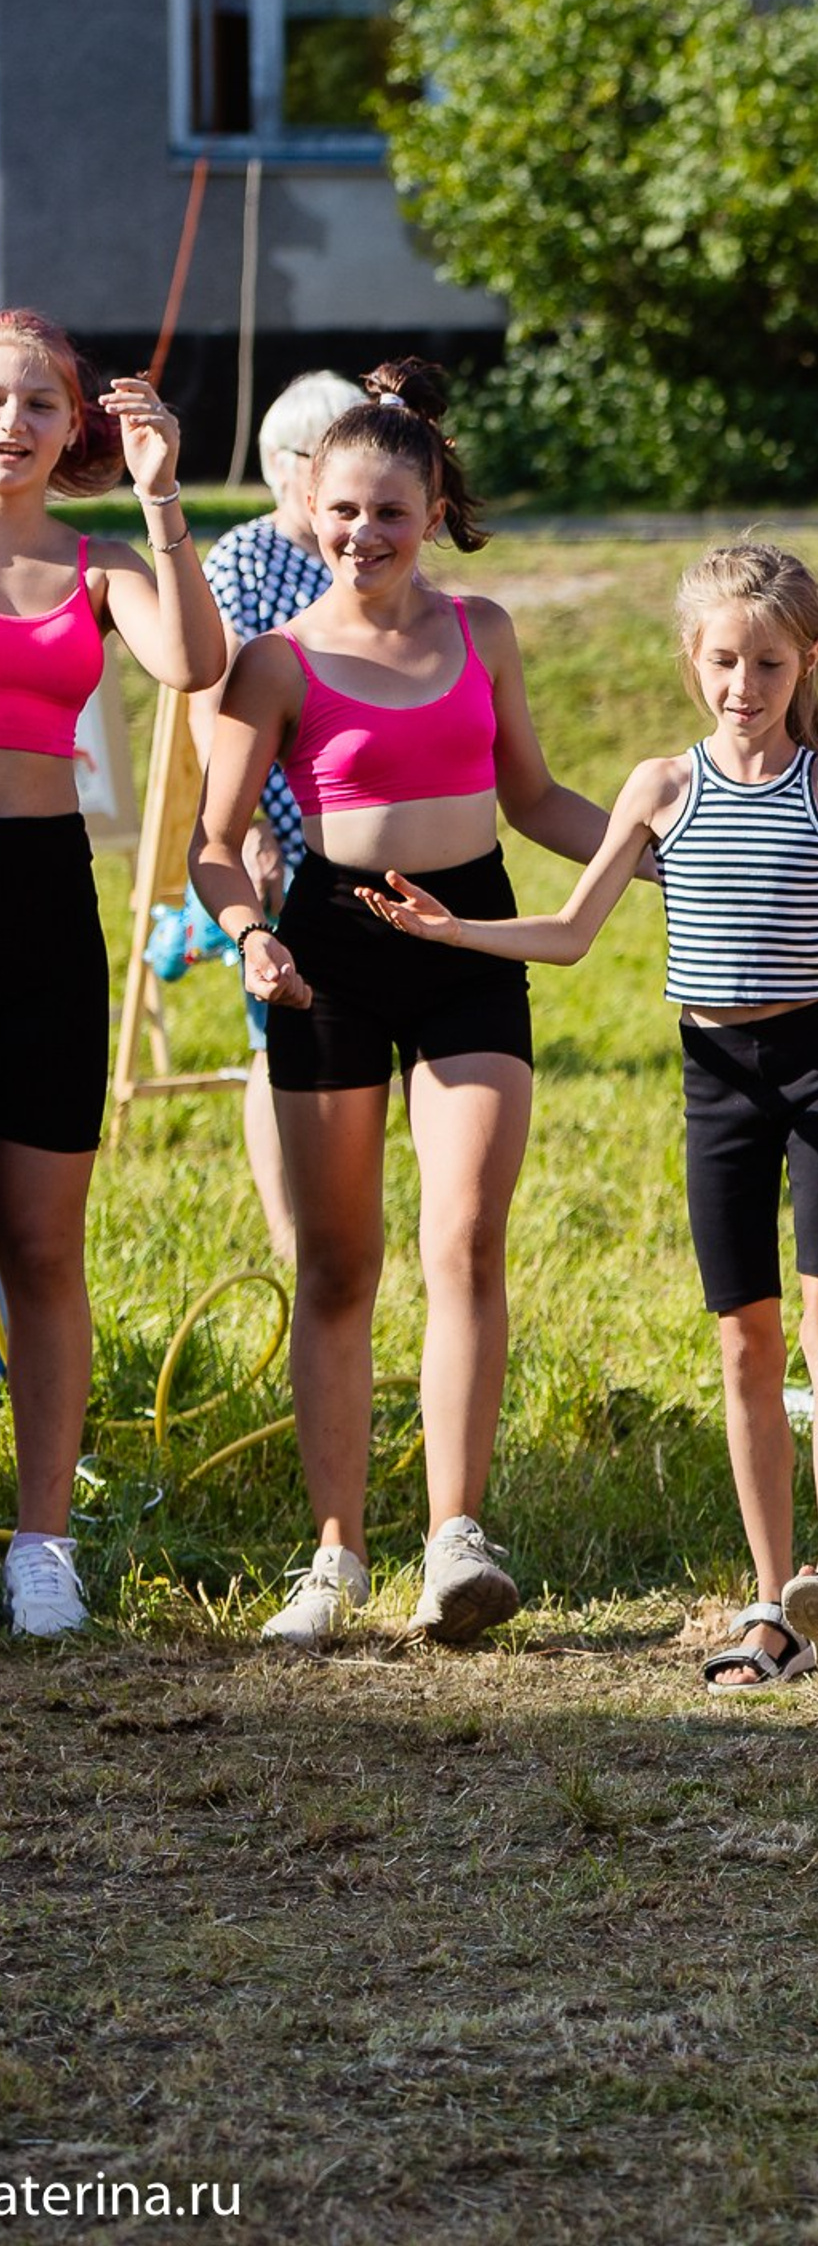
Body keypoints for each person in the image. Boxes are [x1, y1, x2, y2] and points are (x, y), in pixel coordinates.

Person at [359, 542, 818, 1686]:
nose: (743, 685)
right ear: (693, 660)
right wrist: (455, 931)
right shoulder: (660, 788)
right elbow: (571, 932)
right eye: (723, 660)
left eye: (768, 662)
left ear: (806, 662)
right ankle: (770, 1599)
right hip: (715, 1076)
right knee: (743, 1335)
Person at [191, 360, 622, 1648]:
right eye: (342, 513)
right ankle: (333, 1557)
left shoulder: (482, 631)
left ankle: (454, 1537)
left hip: (471, 935)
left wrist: (666, 847)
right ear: (307, 513)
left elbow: (535, 798)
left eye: (391, 511)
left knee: (465, 1239)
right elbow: (214, 846)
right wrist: (251, 930)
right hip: (327, 946)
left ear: (432, 509)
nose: (365, 535)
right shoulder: (273, 663)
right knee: (339, 1266)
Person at [0, 313, 225, 1639]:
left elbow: (195, 666)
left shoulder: (92, 571)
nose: (11, 420)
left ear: (74, 423)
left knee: (40, 1240)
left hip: (41, 908)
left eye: (39, 401)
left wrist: (160, 497)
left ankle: (41, 1545)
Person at [189, 369, 368, 1263]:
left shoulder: (365, 558)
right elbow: (209, 703)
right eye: (332, 453)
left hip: (367, 839)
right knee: (279, 1039)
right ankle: (293, 1234)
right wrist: (250, 824)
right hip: (281, 836)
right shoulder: (245, 559)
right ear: (290, 464)